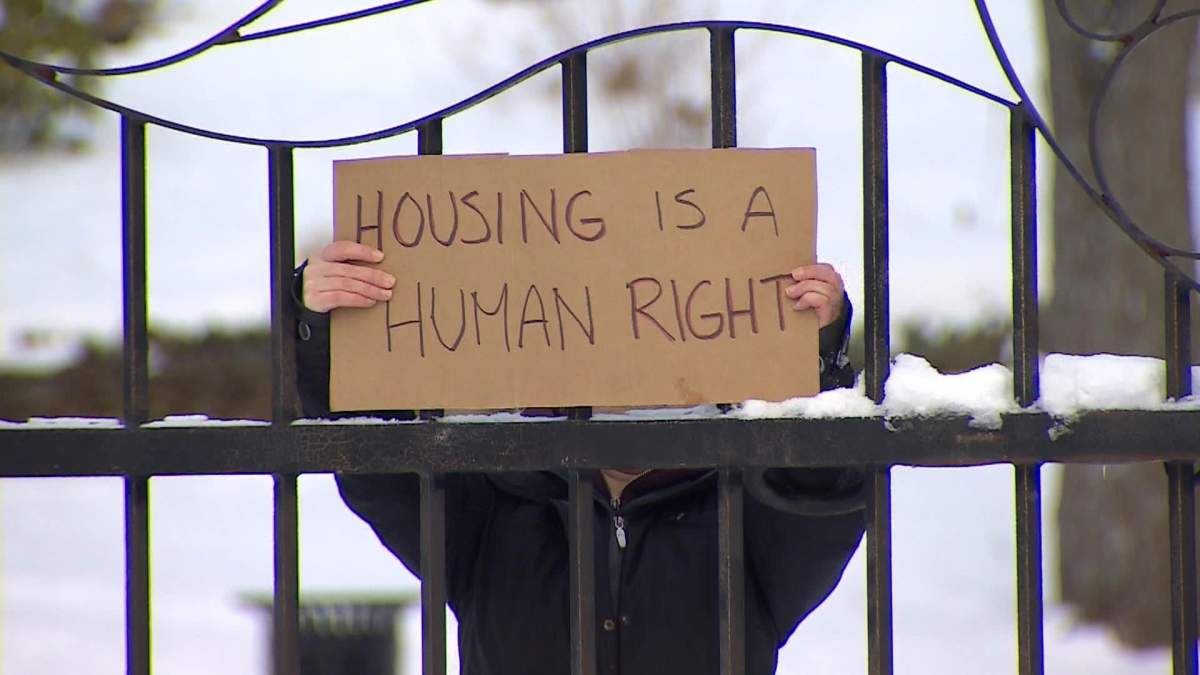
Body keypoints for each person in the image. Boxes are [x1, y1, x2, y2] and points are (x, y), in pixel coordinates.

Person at [294, 240, 865, 675]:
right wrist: (328, 332)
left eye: (659, 338)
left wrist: (815, 356)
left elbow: (823, 486)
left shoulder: (742, 514)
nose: (629, 371)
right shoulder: (493, 509)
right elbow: (379, 461)